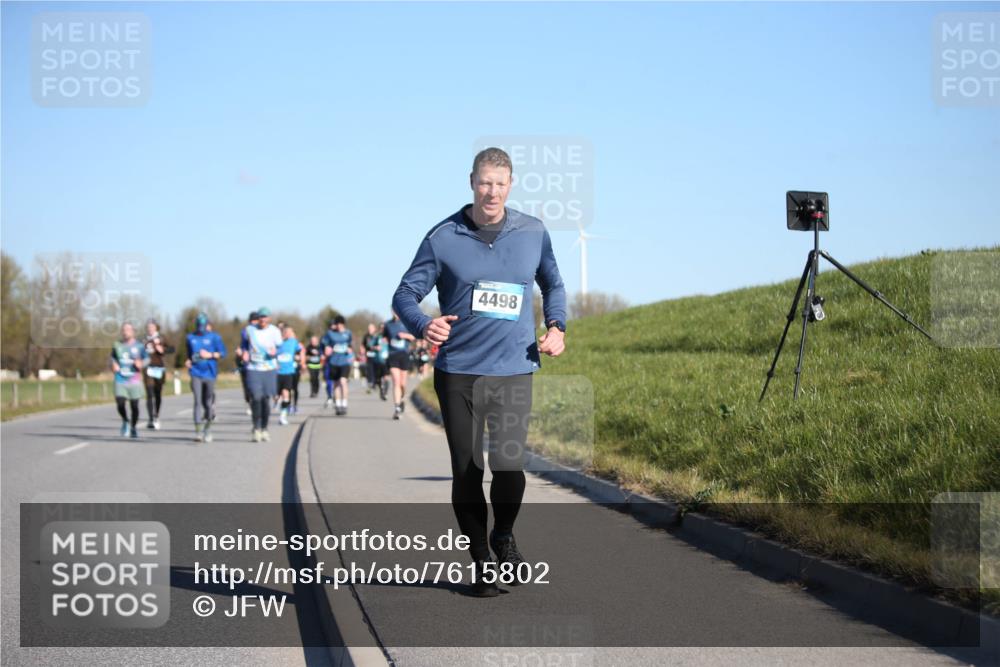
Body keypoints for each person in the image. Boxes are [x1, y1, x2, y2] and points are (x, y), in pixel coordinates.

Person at [392, 147, 567, 597]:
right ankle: (481, 562)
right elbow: (405, 294)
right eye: (484, 182)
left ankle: (503, 535)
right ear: (472, 182)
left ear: (511, 185)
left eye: (500, 183)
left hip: (514, 368)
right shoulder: (442, 236)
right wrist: (423, 324)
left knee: (509, 465)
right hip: (459, 372)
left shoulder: (532, 232)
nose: (492, 191)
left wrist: (557, 325)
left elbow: (553, 282)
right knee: (468, 469)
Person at [241, 306, 283, 442]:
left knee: (265, 400)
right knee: (256, 397)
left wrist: (275, 353)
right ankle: (256, 428)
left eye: (265, 317)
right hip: (253, 369)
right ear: (257, 318)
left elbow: (280, 348)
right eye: (260, 317)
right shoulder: (249, 330)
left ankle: (264, 428)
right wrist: (244, 353)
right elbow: (243, 346)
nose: (262, 319)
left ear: (269, 318)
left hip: (269, 369)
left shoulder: (275, 331)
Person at [186, 312, 227, 443]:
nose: (200, 328)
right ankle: (198, 431)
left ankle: (207, 429)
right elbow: (189, 355)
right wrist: (188, 361)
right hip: (195, 373)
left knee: (208, 403)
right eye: (199, 325)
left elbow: (223, 353)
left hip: (210, 373)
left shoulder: (215, 337)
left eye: (203, 325)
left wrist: (210, 355)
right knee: (197, 401)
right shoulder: (190, 338)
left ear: (207, 325)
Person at [110, 322, 149, 439]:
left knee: (134, 406)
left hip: (134, 380)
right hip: (120, 379)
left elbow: (147, 359)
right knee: (120, 403)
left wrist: (141, 363)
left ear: (133, 331)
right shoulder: (117, 345)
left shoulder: (139, 346)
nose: (125, 331)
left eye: (128, 329)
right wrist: (113, 365)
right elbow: (112, 359)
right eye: (123, 329)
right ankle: (125, 421)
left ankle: (133, 427)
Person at [143, 318, 174, 430]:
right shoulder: (143, 340)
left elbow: (172, 349)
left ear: (156, 327)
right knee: (149, 393)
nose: (150, 329)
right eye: (148, 327)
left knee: (157, 394)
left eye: (152, 327)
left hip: (159, 368)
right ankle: (151, 418)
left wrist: (163, 349)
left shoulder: (162, 338)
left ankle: (157, 415)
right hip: (147, 369)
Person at [321, 315, 353, 416]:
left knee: (343, 382)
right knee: (336, 384)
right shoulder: (330, 334)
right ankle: (338, 405)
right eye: (336, 324)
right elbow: (324, 345)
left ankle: (344, 404)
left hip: (345, 362)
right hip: (333, 362)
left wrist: (350, 350)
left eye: (338, 324)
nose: (337, 326)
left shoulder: (348, 333)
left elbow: (350, 345)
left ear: (342, 324)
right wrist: (326, 350)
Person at [276, 326, 304, 425]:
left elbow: (301, 349)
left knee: (286, 393)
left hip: (288, 372)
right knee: (275, 396)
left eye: (290, 332)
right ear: (283, 333)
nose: (289, 334)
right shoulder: (277, 343)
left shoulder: (293, 342)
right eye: (287, 332)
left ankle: (283, 416)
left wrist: (301, 360)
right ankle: (278, 402)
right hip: (277, 373)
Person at [238, 312, 259, 415]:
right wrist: (241, 352)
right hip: (248, 365)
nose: (253, 323)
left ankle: (257, 404)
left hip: (260, 365)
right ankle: (250, 403)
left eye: (255, 321)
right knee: (248, 387)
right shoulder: (245, 331)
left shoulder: (263, 331)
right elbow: (243, 346)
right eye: (252, 321)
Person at [362, 323, 383, 393]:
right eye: (369, 328)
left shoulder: (377, 336)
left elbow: (380, 347)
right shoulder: (366, 336)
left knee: (376, 370)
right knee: (369, 370)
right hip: (368, 356)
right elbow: (363, 345)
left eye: (371, 328)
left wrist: (374, 347)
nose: (369, 330)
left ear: (374, 329)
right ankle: (371, 383)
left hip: (376, 356)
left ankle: (377, 383)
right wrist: (362, 351)